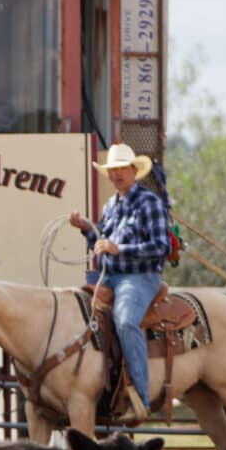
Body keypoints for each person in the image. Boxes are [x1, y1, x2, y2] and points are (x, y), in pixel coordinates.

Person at [67, 143, 170, 423]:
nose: (117, 174)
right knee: (78, 313)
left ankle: (140, 398)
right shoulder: (110, 205)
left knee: (125, 322)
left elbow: (160, 246)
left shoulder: (150, 203)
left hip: (140, 277)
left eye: (122, 168)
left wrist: (119, 249)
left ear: (134, 170)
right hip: (109, 277)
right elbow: (102, 241)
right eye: (112, 170)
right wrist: (87, 230)